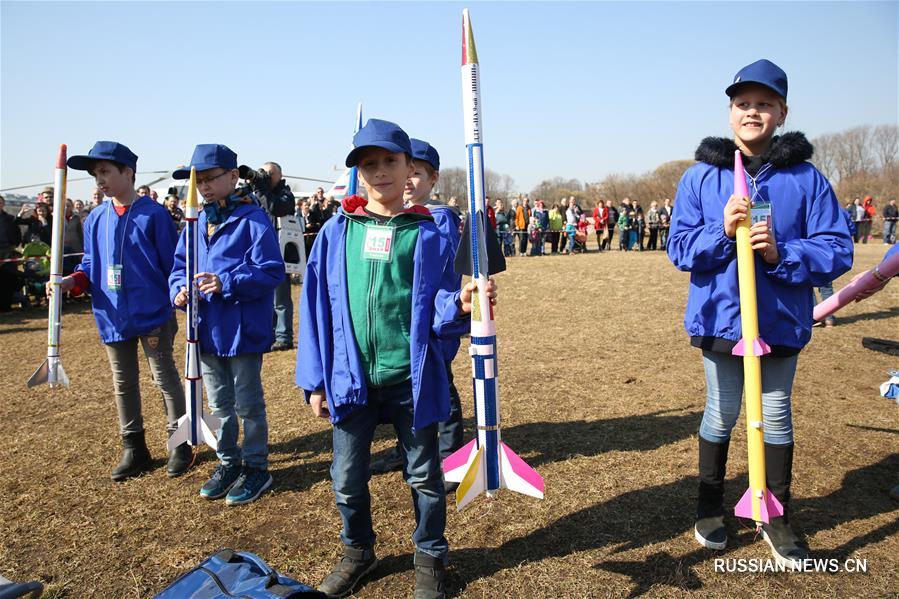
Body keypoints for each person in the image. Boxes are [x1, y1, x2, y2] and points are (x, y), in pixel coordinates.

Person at [297, 119, 494, 599]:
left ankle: (430, 556)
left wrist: (463, 304)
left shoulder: (426, 234)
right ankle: (358, 552)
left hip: (410, 380)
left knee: (425, 476)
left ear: (409, 168)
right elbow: (316, 309)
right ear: (359, 173)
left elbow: (438, 302)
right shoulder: (335, 232)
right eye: (370, 164)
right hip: (351, 381)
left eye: (390, 161)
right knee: (346, 479)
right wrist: (315, 381)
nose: (380, 171)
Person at [667, 59, 852, 568]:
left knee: (774, 414)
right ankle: (709, 507)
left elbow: (837, 249)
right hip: (721, 319)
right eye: (743, 104)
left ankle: (776, 513)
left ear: (782, 112)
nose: (753, 112)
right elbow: (680, 248)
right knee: (722, 412)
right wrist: (721, 233)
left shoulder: (807, 179)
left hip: (779, 321)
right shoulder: (701, 178)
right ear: (730, 113)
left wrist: (782, 254)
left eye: (764, 103)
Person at [53, 141, 191, 480]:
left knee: (165, 378)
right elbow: (89, 263)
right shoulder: (95, 218)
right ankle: (134, 447)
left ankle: (180, 443)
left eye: (105, 172)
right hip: (112, 314)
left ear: (128, 172)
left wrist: (178, 294)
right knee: (122, 381)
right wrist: (73, 281)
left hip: (153, 313)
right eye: (95, 174)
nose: (99, 180)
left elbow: (174, 264)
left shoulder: (153, 215)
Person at [170, 144, 285, 506]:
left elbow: (271, 271)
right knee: (220, 403)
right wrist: (179, 291)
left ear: (233, 177)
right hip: (206, 331)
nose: (202, 187)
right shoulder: (195, 222)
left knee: (248, 404)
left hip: (242, 330)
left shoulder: (252, 220)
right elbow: (178, 268)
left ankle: (256, 467)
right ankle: (228, 462)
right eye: (196, 181)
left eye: (209, 179)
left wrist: (227, 281)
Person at [372, 138, 466, 479]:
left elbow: (443, 276)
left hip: (434, 320)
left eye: (417, 174)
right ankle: (405, 449)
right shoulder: (395, 216)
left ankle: (451, 458)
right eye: (405, 172)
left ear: (433, 179)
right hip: (402, 322)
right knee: (409, 391)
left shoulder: (439, 218)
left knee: (441, 385)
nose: (408, 181)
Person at [242, 161, 296, 352]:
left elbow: (274, 208)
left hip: (279, 254)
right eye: (262, 172)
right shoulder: (253, 191)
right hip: (256, 253)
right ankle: (268, 334)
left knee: (280, 298)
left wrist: (262, 190)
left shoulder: (286, 194)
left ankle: (283, 336)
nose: (265, 176)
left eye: (269, 173)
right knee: (262, 296)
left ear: (279, 176)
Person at [0, 195, 23, 311]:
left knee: (7, 280)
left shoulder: (9, 219)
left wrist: (13, 247)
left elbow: (16, 235)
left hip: (7, 253)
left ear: (3, 204)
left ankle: (6, 306)